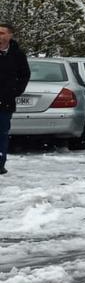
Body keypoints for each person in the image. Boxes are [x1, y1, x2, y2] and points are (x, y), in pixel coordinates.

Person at [0, 23, 32, 175]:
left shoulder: (17, 55)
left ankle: (0, 163)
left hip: (5, 102)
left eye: (2, 33)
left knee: (2, 133)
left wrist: (15, 91)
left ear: (10, 35)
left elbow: (24, 75)